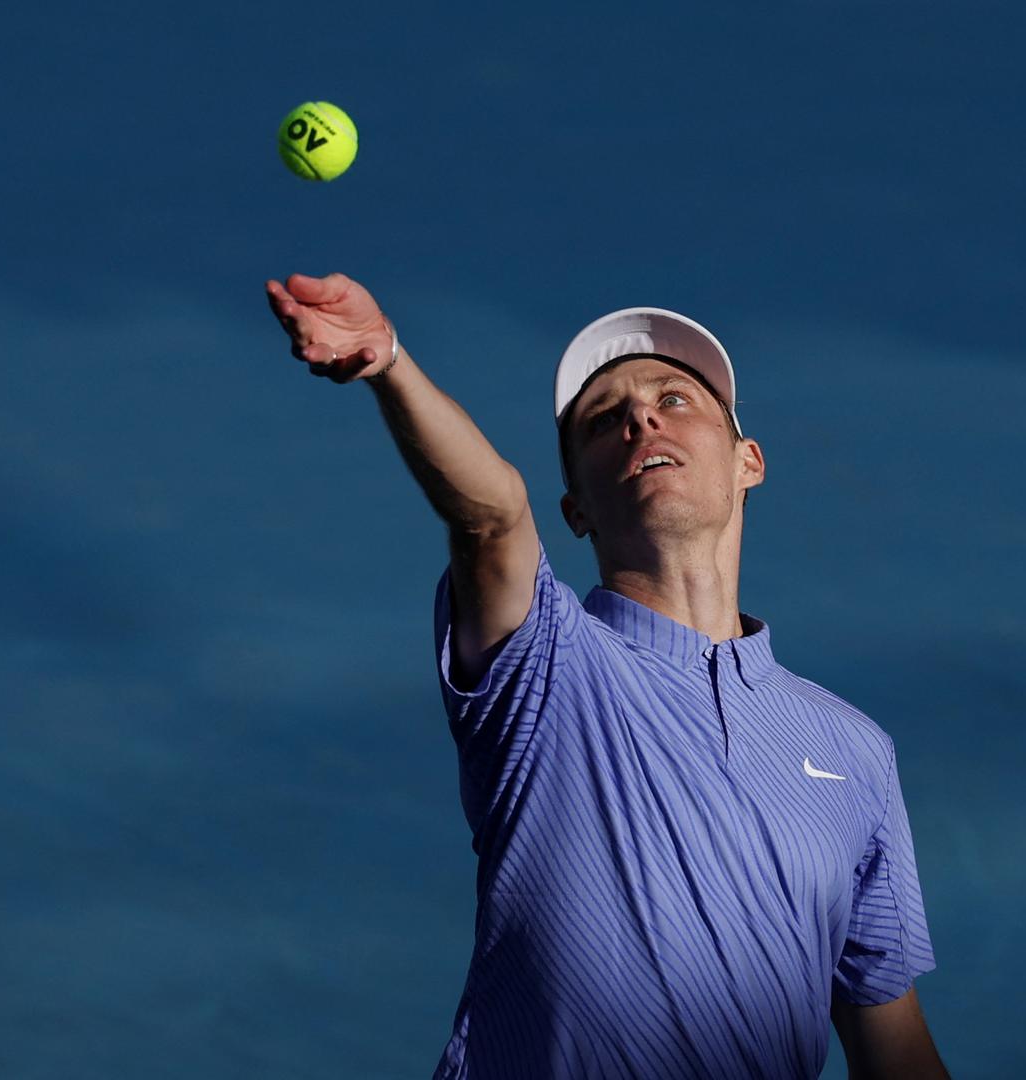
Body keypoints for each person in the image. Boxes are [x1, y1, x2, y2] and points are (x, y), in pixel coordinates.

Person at [265, 271, 949, 1080]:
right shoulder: (544, 660)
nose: (640, 419)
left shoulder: (855, 751)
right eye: (602, 421)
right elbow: (491, 517)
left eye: (674, 399)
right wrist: (390, 363)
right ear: (577, 511)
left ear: (748, 462)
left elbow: (894, 1047)